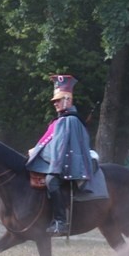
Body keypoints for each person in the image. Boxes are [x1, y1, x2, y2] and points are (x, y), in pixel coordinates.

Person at [26, 75, 93, 235]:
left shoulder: (70, 120)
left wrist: (41, 156)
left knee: (51, 181)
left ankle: (60, 222)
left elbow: (61, 148)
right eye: (54, 101)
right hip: (58, 161)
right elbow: (51, 143)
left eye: (58, 100)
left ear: (67, 100)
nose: (55, 103)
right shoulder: (60, 120)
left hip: (68, 164)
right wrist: (35, 151)